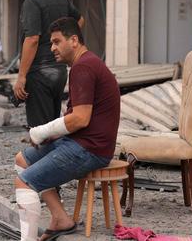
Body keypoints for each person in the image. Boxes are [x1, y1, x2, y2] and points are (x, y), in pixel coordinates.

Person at [14, 17, 120, 241]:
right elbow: (77, 119)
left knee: (25, 181)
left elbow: (80, 119)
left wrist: (41, 132)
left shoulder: (83, 67)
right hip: (82, 141)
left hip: (90, 149)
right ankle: (61, 218)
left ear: (74, 40)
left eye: (56, 41)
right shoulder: (85, 64)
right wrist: (48, 134)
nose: (52, 48)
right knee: (22, 160)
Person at [14, 0, 84, 129]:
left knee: (39, 131)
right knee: (52, 127)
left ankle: (40, 157)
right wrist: (66, 45)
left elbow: (32, 39)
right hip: (59, 72)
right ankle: (52, 155)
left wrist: (21, 77)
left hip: (39, 73)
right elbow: (80, 20)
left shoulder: (32, 1)